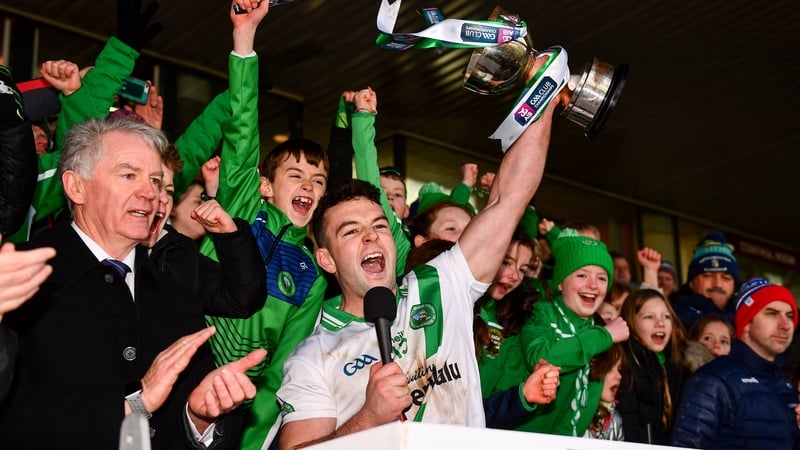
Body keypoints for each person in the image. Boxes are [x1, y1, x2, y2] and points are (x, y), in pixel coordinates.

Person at [275, 68, 558, 449]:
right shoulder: (314, 353)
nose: (371, 235)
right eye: (351, 231)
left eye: (378, 224)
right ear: (325, 259)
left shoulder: (441, 283)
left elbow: (509, 200)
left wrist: (545, 93)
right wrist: (369, 418)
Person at [0, 117, 264, 449]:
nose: (150, 193)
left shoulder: (176, 288)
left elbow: (188, 412)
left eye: (156, 180)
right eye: (128, 175)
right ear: (75, 186)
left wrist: (199, 417)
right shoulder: (17, 280)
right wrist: (133, 405)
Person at [197, 4, 331, 449]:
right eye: (295, 175)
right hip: (186, 359)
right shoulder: (240, 208)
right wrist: (245, 39)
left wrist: (252, 442)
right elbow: (242, 129)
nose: (308, 185)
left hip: (240, 397)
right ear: (266, 187)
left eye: (318, 181)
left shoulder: (311, 275)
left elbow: (282, 370)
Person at [516, 228, 629, 437]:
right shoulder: (540, 314)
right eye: (581, 275)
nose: (593, 285)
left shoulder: (599, 328)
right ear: (561, 282)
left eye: (602, 278)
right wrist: (604, 336)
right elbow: (542, 357)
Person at [671, 277, 800, 449]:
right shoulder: (712, 380)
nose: (785, 325)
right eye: (772, 314)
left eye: (790, 316)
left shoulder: (789, 385)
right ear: (746, 323)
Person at [616, 288, 686, 444]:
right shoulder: (625, 366)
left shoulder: (673, 365)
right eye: (649, 317)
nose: (660, 323)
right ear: (631, 322)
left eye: (666, 317)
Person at [672, 231, 739, 329]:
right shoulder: (673, 318)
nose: (718, 284)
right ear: (691, 282)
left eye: (726, 278)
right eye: (708, 276)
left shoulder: (747, 320)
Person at [584, 344, 625, 441]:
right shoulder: (572, 417)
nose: (619, 376)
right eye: (609, 368)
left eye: (619, 369)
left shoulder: (615, 420)